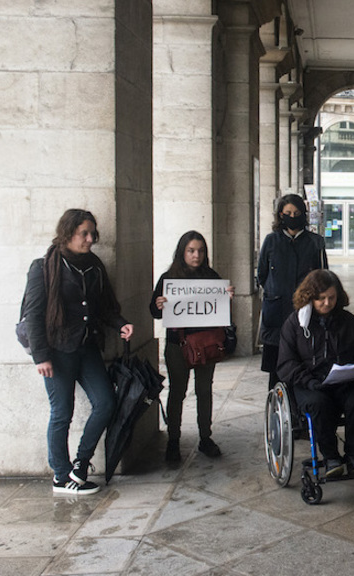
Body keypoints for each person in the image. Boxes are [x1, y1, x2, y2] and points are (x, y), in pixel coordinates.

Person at [23, 209, 134, 495]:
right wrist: (41, 357)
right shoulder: (43, 267)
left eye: (92, 234)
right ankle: (60, 477)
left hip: (86, 347)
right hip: (56, 351)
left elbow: (104, 307)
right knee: (62, 412)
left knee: (106, 402)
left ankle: (80, 465)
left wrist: (120, 324)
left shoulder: (94, 265)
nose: (90, 239)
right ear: (67, 232)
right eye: (84, 233)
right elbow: (34, 315)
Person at [276, 270, 354, 477]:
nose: (327, 303)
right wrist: (308, 381)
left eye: (332, 297)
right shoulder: (295, 324)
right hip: (310, 383)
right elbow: (286, 362)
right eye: (321, 299)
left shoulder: (349, 322)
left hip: (343, 382)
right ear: (309, 297)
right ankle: (330, 457)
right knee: (319, 404)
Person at [150, 231, 234, 462]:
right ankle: (173, 440)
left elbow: (220, 313)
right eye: (191, 251)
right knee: (177, 392)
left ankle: (205, 438)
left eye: (200, 251)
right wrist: (160, 304)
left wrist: (226, 298)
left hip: (206, 345)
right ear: (182, 252)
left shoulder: (211, 276)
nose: (196, 255)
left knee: (204, 391)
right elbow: (154, 312)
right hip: (178, 345)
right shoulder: (169, 278)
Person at [257, 194, 328, 389]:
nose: (292, 217)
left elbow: (324, 276)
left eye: (296, 213)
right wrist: (275, 290)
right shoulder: (271, 241)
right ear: (281, 215)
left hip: (305, 310)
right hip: (276, 310)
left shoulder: (315, 242)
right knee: (276, 367)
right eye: (288, 213)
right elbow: (262, 274)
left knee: (303, 360)